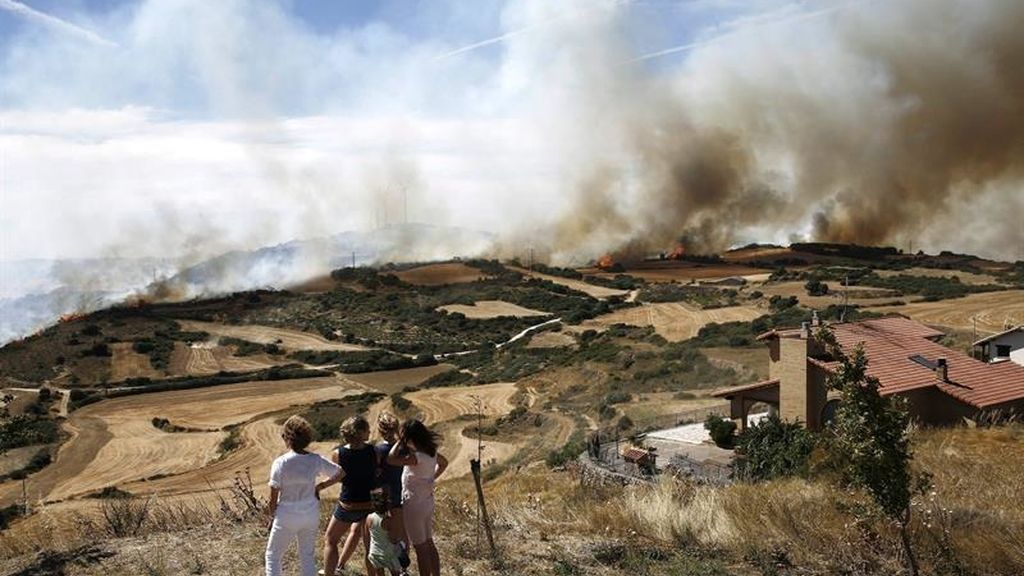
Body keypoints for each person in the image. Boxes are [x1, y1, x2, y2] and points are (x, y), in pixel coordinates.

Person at [265, 415, 343, 576]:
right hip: (310, 514)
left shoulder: (280, 463)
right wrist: (321, 486)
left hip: (286, 515)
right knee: (307, 556)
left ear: (287, 438)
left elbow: (273, 498)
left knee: (273, 556)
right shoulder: (315, 459)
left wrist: (271, 517)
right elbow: (340, 473)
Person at [388, 419, 448, 576]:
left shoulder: (417, 458)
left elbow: (391, 459)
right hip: (427, 503)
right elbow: (444, 463)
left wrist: (399, 442)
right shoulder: (431, 453)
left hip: (414, 505)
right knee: (429, 543)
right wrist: (432, 478)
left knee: (420, 548)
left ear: (410, 437)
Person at [322, 415, 378, 576]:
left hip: (348, 505)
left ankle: (329, 573)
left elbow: (339, 478)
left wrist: (320, 486)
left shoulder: (338, 454)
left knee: (331, 540)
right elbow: (375, 473)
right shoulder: (374, 451)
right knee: (370, 548)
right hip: (370, 505)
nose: (370, 431)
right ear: (361, 433)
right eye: (367, 429)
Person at [365, 490, 408, 576]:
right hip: (388, 553)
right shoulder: (388, 521)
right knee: (395, 573)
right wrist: (401, 543)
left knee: (380, 573)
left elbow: (367, 535)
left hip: (375, 552)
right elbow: (393, 539)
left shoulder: (369, 518)